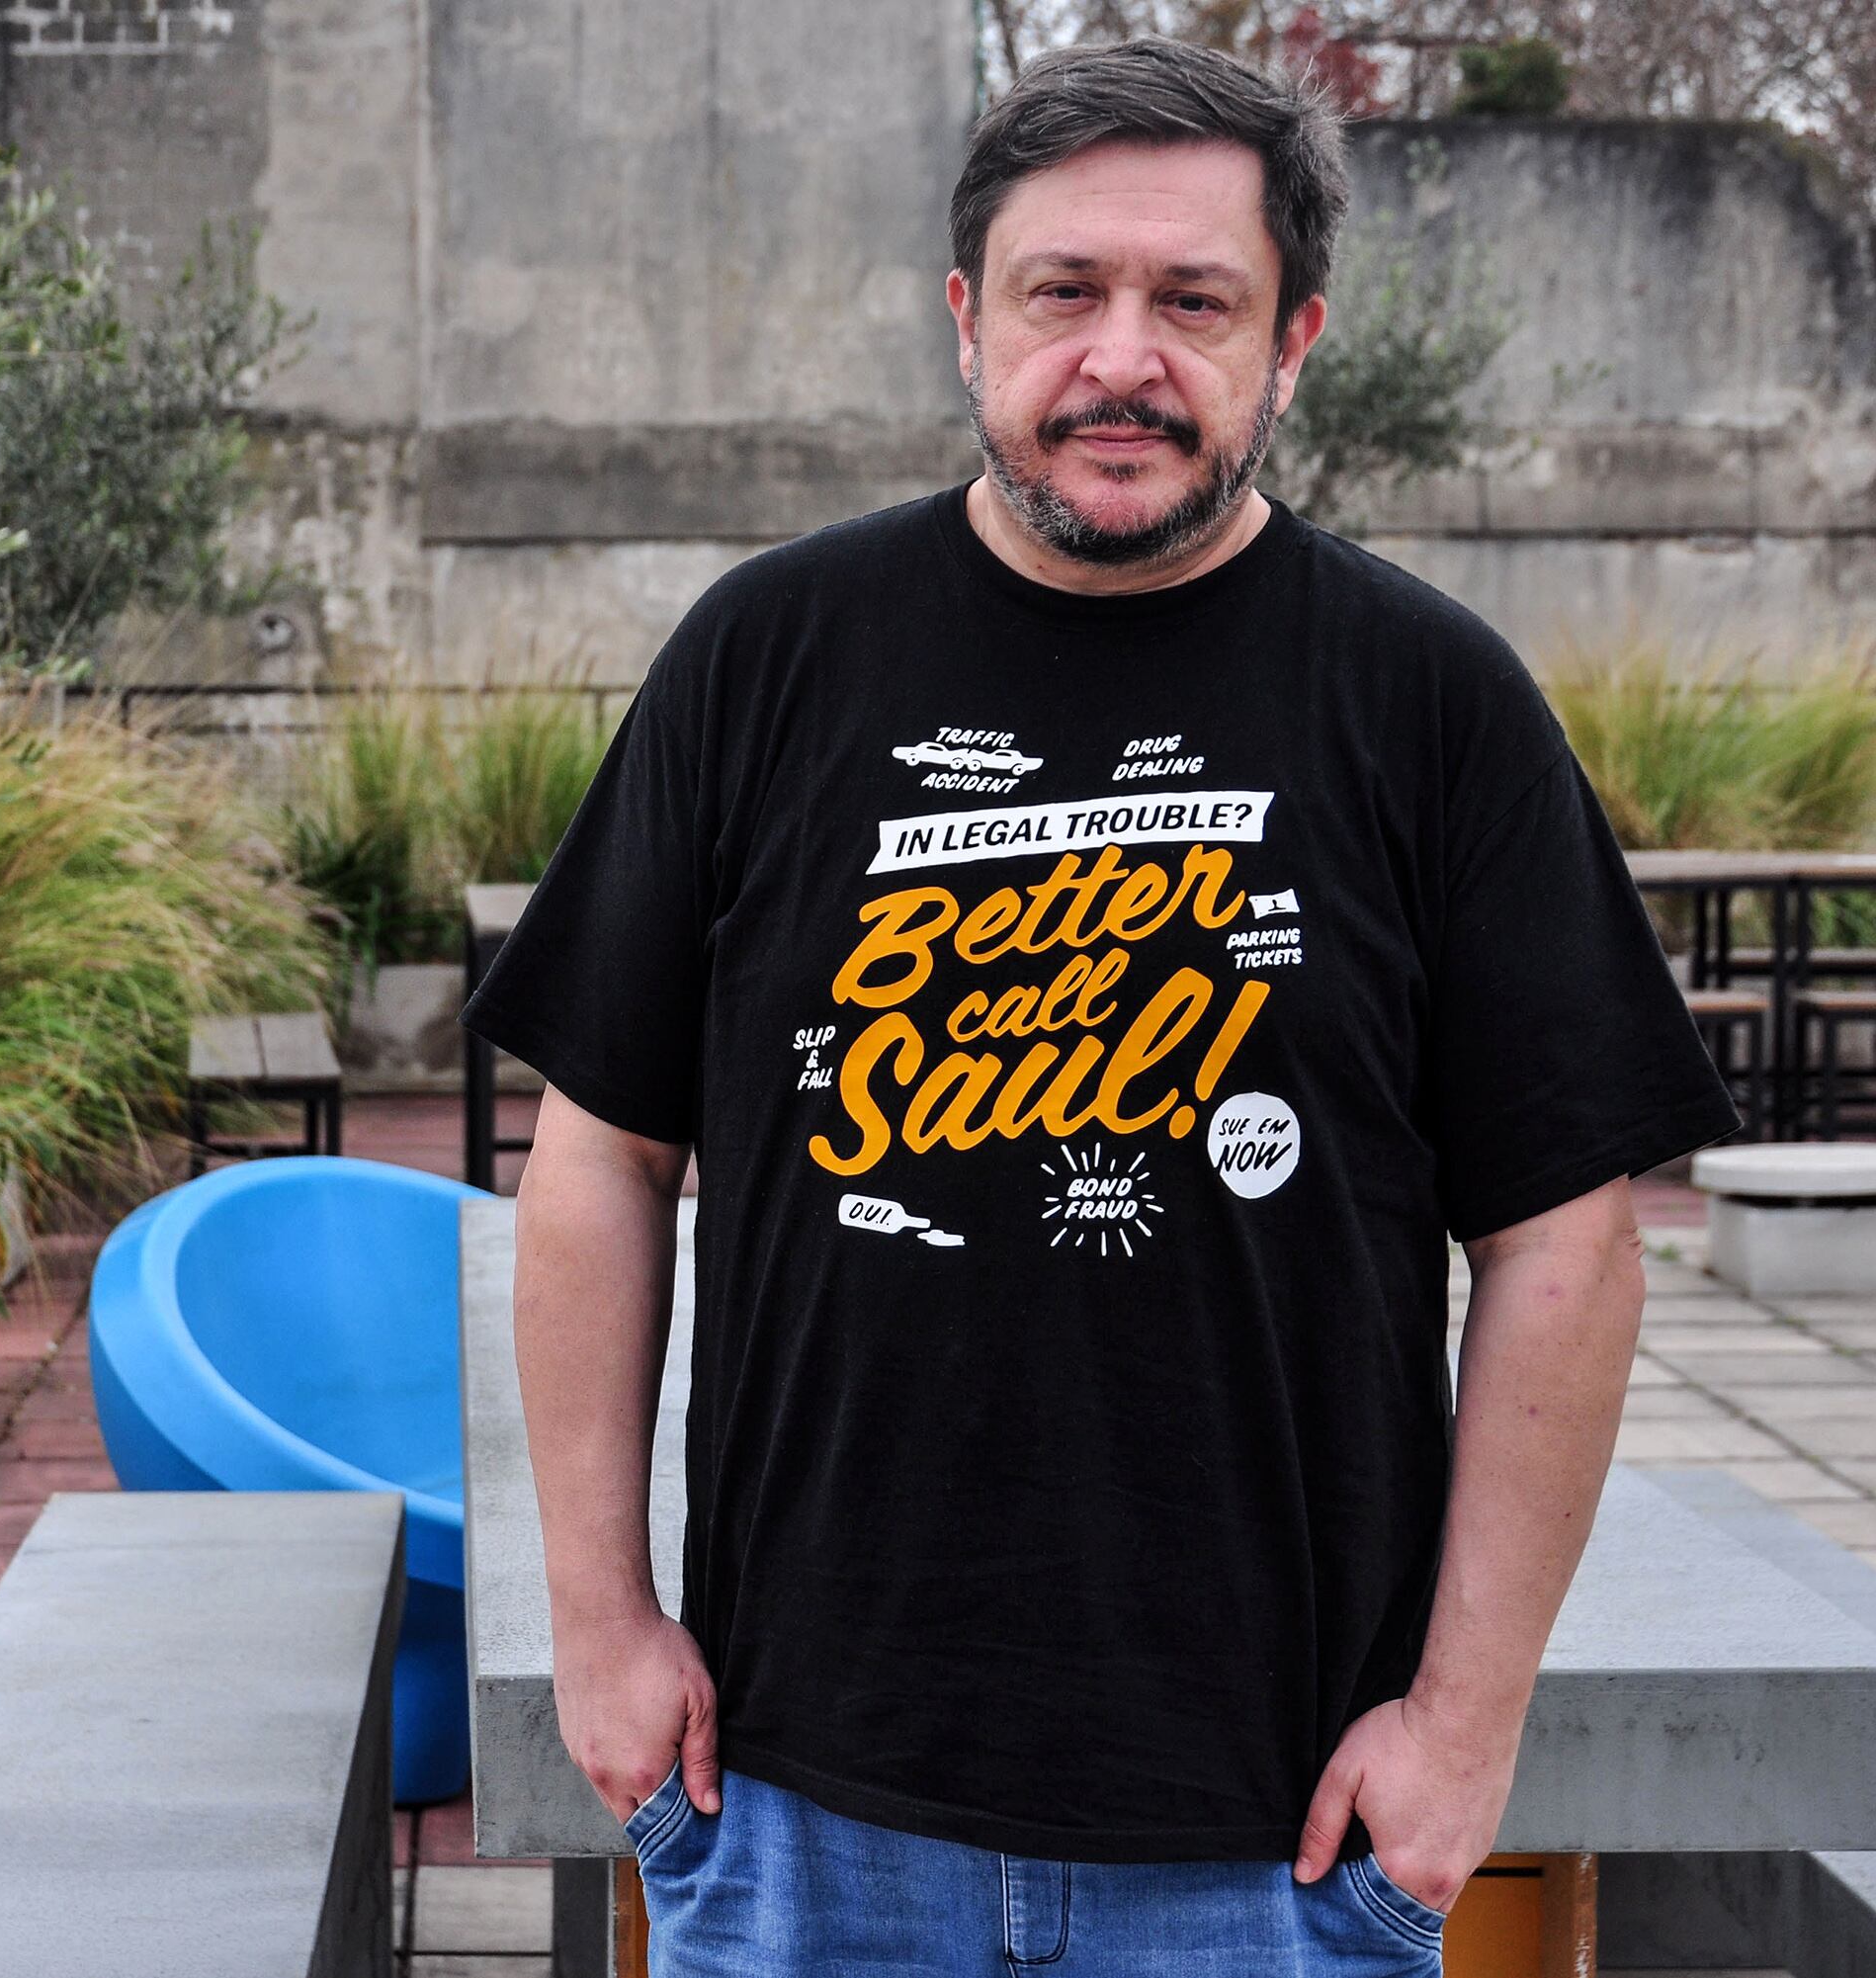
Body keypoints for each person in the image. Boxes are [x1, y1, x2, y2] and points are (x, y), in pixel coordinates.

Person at [460, 35, 1738, 1976]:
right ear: (970, 318)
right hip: (805, 1810)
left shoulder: (1433, 703)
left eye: (1194, 302)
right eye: (1065, 292)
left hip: (1273, 1839)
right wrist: (599, 1617)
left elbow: (1566, 1239)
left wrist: (1468, 1721)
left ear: (1292, 341)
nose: (1121, 359)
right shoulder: (766, 658)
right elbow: (599, 1156)